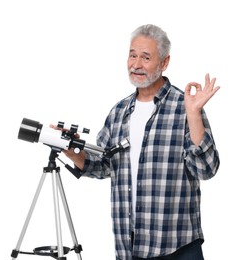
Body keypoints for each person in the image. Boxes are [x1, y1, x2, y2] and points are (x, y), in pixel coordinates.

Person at [62, 24, 220, 260]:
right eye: (132, 55)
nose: (136, 64)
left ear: (164, 63)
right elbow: (103, 165)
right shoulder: (119, 112)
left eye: (146, 57)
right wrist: (72, 151)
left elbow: (206, 169)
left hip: (177, 247)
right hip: (130, 248)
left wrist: (194, 114)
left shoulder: (185, 107)